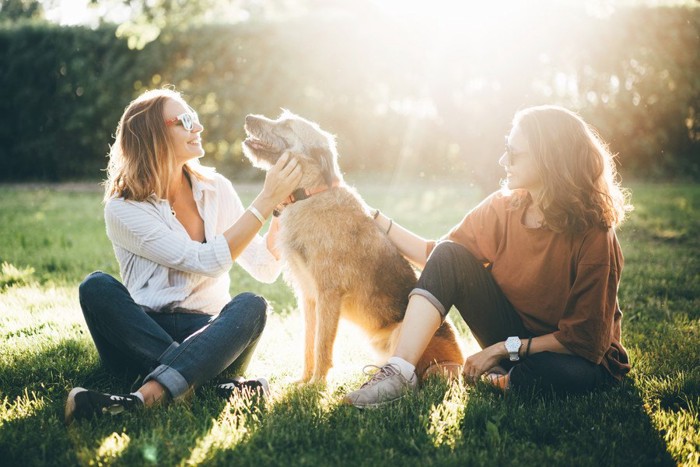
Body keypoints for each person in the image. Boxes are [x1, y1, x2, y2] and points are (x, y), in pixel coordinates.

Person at [345, 105, 633, 408]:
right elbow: (438, 259)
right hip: (513, 338)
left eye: (513, 153)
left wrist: (500, 350)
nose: (502, 160)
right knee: (450, 253)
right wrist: (374, 216)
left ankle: (506, 377)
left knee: (555, 373)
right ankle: (399, 373)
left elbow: (583, 340)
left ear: (549, 159)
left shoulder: (595, 234)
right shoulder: (504, 206)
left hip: (576, 356)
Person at [64, 88, 302, 424]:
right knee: (96, 287)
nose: (198, 128)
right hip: (141, 333)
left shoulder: (218, 188)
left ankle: (143, 397)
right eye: (186, 121)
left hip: (211, 331)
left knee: (252, 305)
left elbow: (264, 266)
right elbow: (207, 261)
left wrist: (278, 205)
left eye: (196, 119)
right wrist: (263, 201)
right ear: (152, 136)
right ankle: (209, 383)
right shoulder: (123, 209)